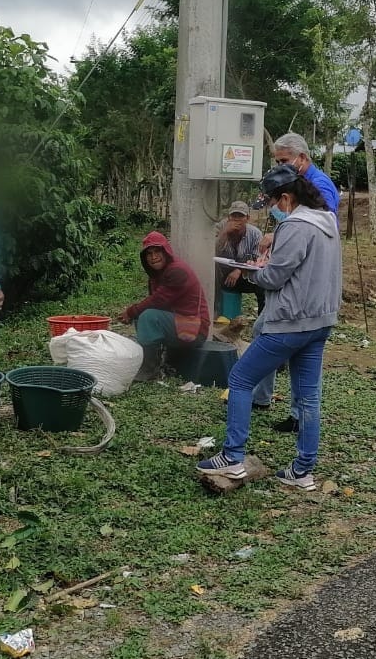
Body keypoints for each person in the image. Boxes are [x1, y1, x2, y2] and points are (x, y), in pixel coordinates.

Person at [198, 164, 342, 490]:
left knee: (240, 378)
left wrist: (250, 271)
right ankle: (302, 471)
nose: (274, 209)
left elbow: (274, 278)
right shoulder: (327, 223)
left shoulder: (296, 226)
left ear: (287, 198)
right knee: (308, 398)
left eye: (275, 203)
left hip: (290, 321)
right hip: (320, 321)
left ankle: (232, 457)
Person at [256, 132, 341, 430]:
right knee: (267, 332)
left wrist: (276, 239)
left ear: (302, 158)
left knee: (303, 360)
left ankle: (294, 413)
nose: (280, 166)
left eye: (284, 160)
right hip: (299, 284)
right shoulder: (300, 187)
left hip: (305, 287)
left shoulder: (319, 188)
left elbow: (316, 230)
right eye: (277, 161)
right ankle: (269, 400)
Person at [120, 231, 210, 382]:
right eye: (149, 254)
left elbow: (157, 301)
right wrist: (135, 313)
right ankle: (161, 360)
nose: (153, 257)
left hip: (195, 328)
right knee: (142, 317)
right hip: (181, 323)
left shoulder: (177, 271)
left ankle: (150, 369)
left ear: (166, 252)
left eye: (157, 252)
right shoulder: (157, 275)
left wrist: (131, 311)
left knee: (148, 317)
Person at [215, 200, 265, 314]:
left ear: (247, 218)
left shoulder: (255, 233)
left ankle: (262, 320)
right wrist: (225, 233)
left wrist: (239, 270)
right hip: (221, 274)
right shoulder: (220, 227)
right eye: (234, 216)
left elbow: (257, 258)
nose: (237, 219)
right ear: (229, 217)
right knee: (211, 271)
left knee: (262, 285)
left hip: (244, 274)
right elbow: (210, 251)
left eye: (240, 216)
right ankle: (215, 312)